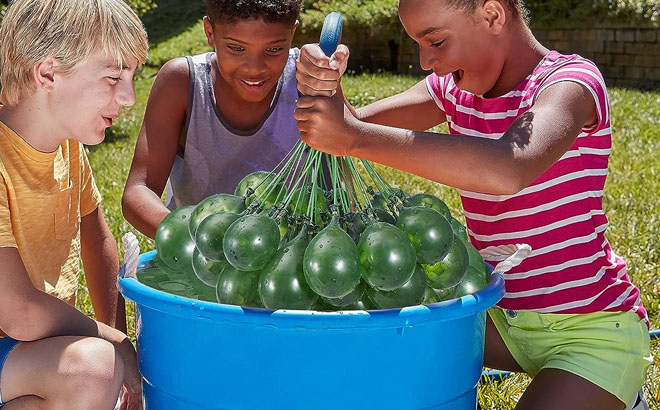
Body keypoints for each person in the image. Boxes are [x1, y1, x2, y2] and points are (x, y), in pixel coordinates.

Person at [293, 1, 652, 409]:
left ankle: (622, 394)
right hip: (496, 316)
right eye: (418, 45)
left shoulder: (571, 84)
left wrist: (352, 135)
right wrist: (327, 91)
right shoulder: (452, 91)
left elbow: (509, 168)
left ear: (493, 15)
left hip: (590, 329)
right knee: (384, 346)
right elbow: (355, 127)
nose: (426, 61)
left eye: (436, 41)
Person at [0, 0, 148, 409]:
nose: (130, 97)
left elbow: (96, 240)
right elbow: (19, 312)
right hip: (21, 342)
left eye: (133, 77)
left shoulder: (67, 145)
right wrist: (112, 339)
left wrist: (125, 364)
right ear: (47, 73)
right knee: (91, 366)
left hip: (25, 356)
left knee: (96, 371)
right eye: (113, 77)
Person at [122, 0, 304, 238]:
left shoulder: (308, 78)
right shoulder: (182, 83)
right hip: (201, 264)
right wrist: (199, 241)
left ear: (292, 34)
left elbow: (347, 135)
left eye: (274, 49)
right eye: (237, 48)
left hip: (295, 259)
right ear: (210, 32)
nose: (254, 68)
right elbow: (139, 189)